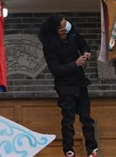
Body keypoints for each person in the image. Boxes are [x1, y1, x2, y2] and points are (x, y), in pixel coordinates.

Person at [38, 15, 98, 157]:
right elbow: (56, 70)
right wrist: (75, 64)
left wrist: (86, 52)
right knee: (68, 118)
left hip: (80, 81)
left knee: (86, 117)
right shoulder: (50, 46)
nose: (68, 24)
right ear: (59, 30)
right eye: (64, 23)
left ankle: (92, 149)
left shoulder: (73, 34)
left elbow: (83, 44)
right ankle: (69, 150)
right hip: (65, 85)